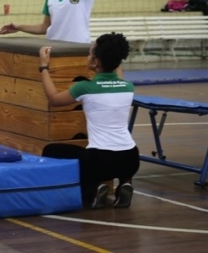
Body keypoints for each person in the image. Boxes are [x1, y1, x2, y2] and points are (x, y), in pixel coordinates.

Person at [38, 32, 139, 209]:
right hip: (131, 158)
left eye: (90, 53)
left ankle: (93, 189)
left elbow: (54, 99)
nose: (88, 56)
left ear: (95, 62)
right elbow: (117, 74)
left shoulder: (85, 87)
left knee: (50, 149)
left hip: (100, 160)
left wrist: (44, 66)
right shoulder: (128, 87)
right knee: (118, 161)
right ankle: (125, 182)